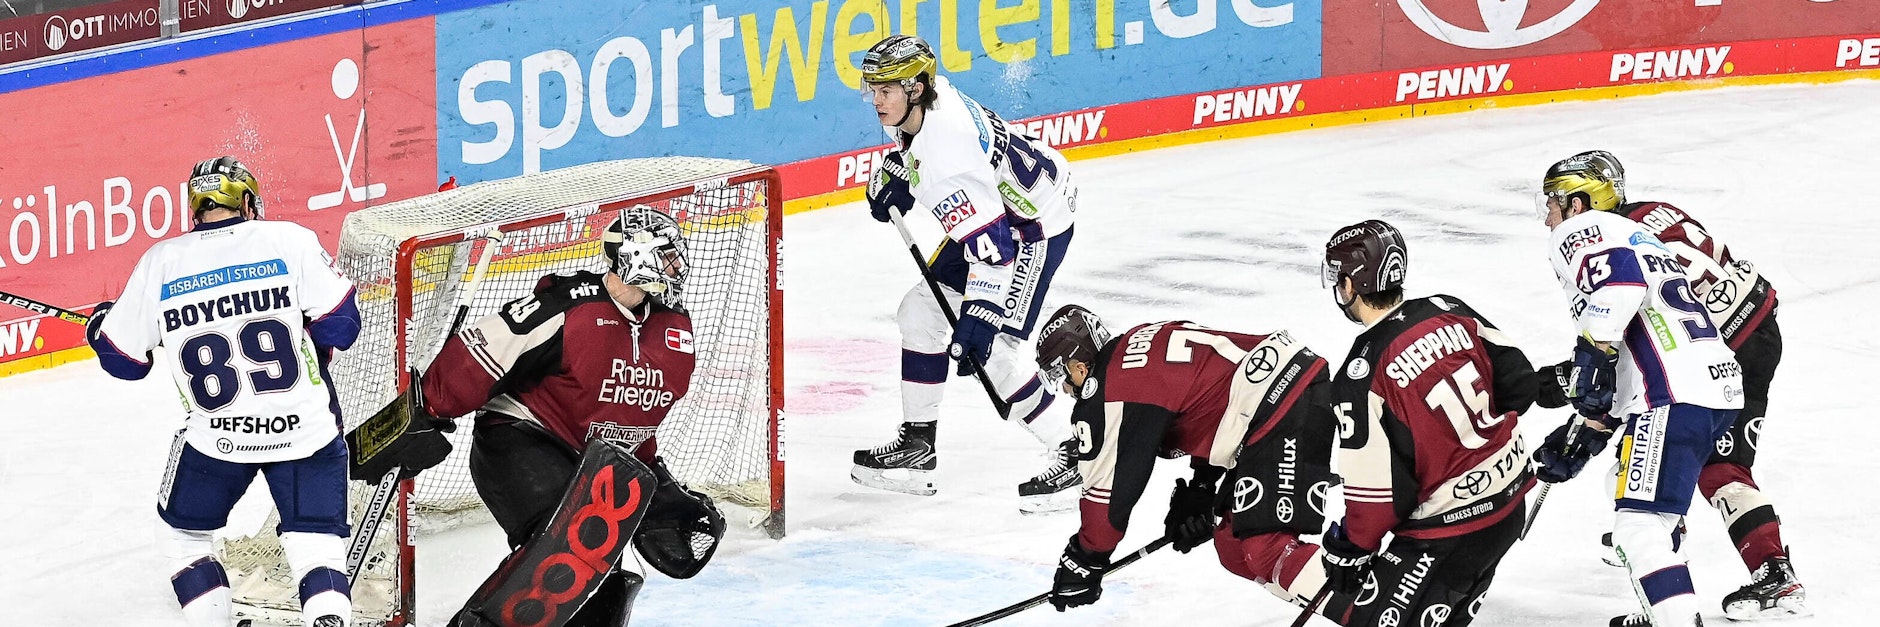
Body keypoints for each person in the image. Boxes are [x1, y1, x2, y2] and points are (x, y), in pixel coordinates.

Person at [416, 206, 726, 626]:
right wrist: (433, 404)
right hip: (520, 438)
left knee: (602, 573)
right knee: (569, 550)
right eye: (666, 255)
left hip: (592, 460)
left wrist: (654, 479)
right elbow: (486, 346)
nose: (678, 265)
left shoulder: (675, 329)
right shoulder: (569, 306)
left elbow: (637, 416)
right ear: (633, 258)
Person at [86, 156, 363, 627]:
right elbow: (342, 325)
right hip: (307, 432)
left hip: (217, 441)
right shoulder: (288, 239)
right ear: (249, 202)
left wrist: (99, 325)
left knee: (184, 539)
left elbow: (123, 362)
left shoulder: (163, 261)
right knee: (316, 544)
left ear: (195, 208)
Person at [1563, 150, 1805, 620]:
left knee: (1647, 462)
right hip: (1755, 326)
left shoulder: (1608, 239)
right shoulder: (1655, 211)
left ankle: (1669, 599)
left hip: (1712, 348)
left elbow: (1632, 322)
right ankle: (1774, 573)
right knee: (1721, 466)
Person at [851, 34, 1084, 513]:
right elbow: (920, 159)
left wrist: (979, 316)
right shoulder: (923, 107)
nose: (876, 100)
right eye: (872, 88)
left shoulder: (947, 157)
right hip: (1001, 209)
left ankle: (1073, 452)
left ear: (915, 88)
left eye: (886, 90)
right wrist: (896, 173)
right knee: (920, 313)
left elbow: (994, 252)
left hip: (1033, 225)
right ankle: (918, 446)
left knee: (994, 350)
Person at [1532, 157, 1745, 627]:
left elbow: (1620, 287)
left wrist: (1591, 353)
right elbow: (1638, 338)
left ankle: (1676, 617)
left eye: (1552, 202)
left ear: (1577, 203)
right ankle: (1664, 604)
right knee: (1628, 486)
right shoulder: (1637, 235)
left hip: (1673, 393)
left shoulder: (1582, 228)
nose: (1547, 215)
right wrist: (1589, 427)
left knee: (1637, 526)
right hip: (1712, 385)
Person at [1033, 305, 1337, 612]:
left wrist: (1085, 559)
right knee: (1234, 545)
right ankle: (1358, 605)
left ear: (1078, 366)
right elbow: (1211, 392)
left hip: (1278, 406)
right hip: (1281, 391)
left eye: (1061, 375)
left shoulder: (1108, 392)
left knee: (1267, 550)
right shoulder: (1140, 340)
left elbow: (1108, 496)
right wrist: (1201, 486)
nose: (1065, 388)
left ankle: (1377, 609)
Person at [1315, 220, 1543, 627]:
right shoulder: (1449, 309)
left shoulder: (1359, 375)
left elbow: (1377, 494)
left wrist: (1351, 545)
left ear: (1351, 285)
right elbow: (1522, 384)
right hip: (1509, 505)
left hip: (1446, 533)